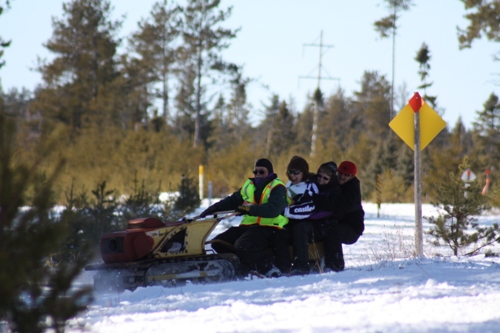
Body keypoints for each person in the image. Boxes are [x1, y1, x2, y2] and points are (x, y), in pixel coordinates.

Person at [199, 158, 290, 277]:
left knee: (243, 245)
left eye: (261, 172)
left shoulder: (277, 187)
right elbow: (233, 200)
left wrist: (250, 209)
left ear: (270, 173)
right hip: (249, 226)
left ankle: (268, 268)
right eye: (255, 171)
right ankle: (242, 267)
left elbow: (273, 209)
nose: (258, 175)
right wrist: (214, 208)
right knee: (218, 242)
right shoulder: (249, 185)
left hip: (270, 227)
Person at [289, 161, 340, 275]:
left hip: (325, 223)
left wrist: (307, 215)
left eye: (325, 178)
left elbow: (328, 211)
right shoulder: (312, 182)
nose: (321, 180)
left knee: (301, 228)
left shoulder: (334, 191)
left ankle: (301, 265)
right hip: (311, 219)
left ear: (331, 179)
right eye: (319, 176)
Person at [322, 160, 364, 272]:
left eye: (347, 175)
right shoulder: (335, 183)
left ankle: (335, 266)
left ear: (352, 176)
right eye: (340, 173)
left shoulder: (352, 190)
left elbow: (341, 207)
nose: (342, 176)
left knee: (334, 232)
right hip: (340, 223)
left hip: (352, 229)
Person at [279, 155, 317, 273]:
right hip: (289, 221)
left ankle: (301, 266)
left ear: (304, 172)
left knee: (299, 229)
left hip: (308, 222)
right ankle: (283, 266)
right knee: (279, 232)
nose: (292, 176)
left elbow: (310, 208)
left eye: (296, 172)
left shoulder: (310, 187)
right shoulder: (288, 185)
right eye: (290, 172)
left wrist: (287, 211)